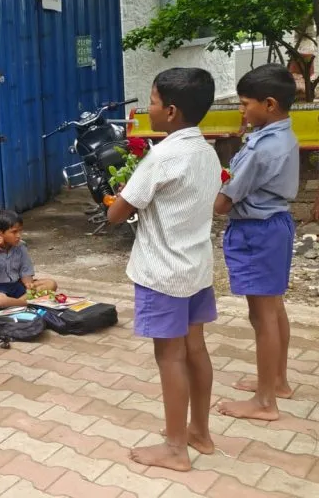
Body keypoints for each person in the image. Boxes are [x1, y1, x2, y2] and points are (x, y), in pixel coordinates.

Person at [106, 67, 222, 472]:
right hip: (195, 268)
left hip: (163, 273)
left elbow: (119, 214)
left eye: (152, 101)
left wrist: (116, 198)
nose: (147, 108)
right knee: (196, 349)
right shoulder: (207, 151)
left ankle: (175, 448)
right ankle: (199, 433)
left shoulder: (163, 155)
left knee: (169, 356)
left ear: (171, 111)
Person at [214, 64, 300, 422]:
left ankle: (266, 402)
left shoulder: (263, 148)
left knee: (261, 315)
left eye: (245, 103)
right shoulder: (281, 135)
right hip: (275, 225)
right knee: (274, 308)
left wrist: (212, 200)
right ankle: (277, 380)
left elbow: (224, 202)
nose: (241, 109)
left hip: (257, 231)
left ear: (269, 103)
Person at [0, 210, 57, 308]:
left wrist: (29, 284)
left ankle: (14, 304)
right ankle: (26, 304)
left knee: (50, 284)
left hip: (16, 287)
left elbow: (25, 273)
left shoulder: (20, 246)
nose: (18, 235)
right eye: (14, 232)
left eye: (20, 231)